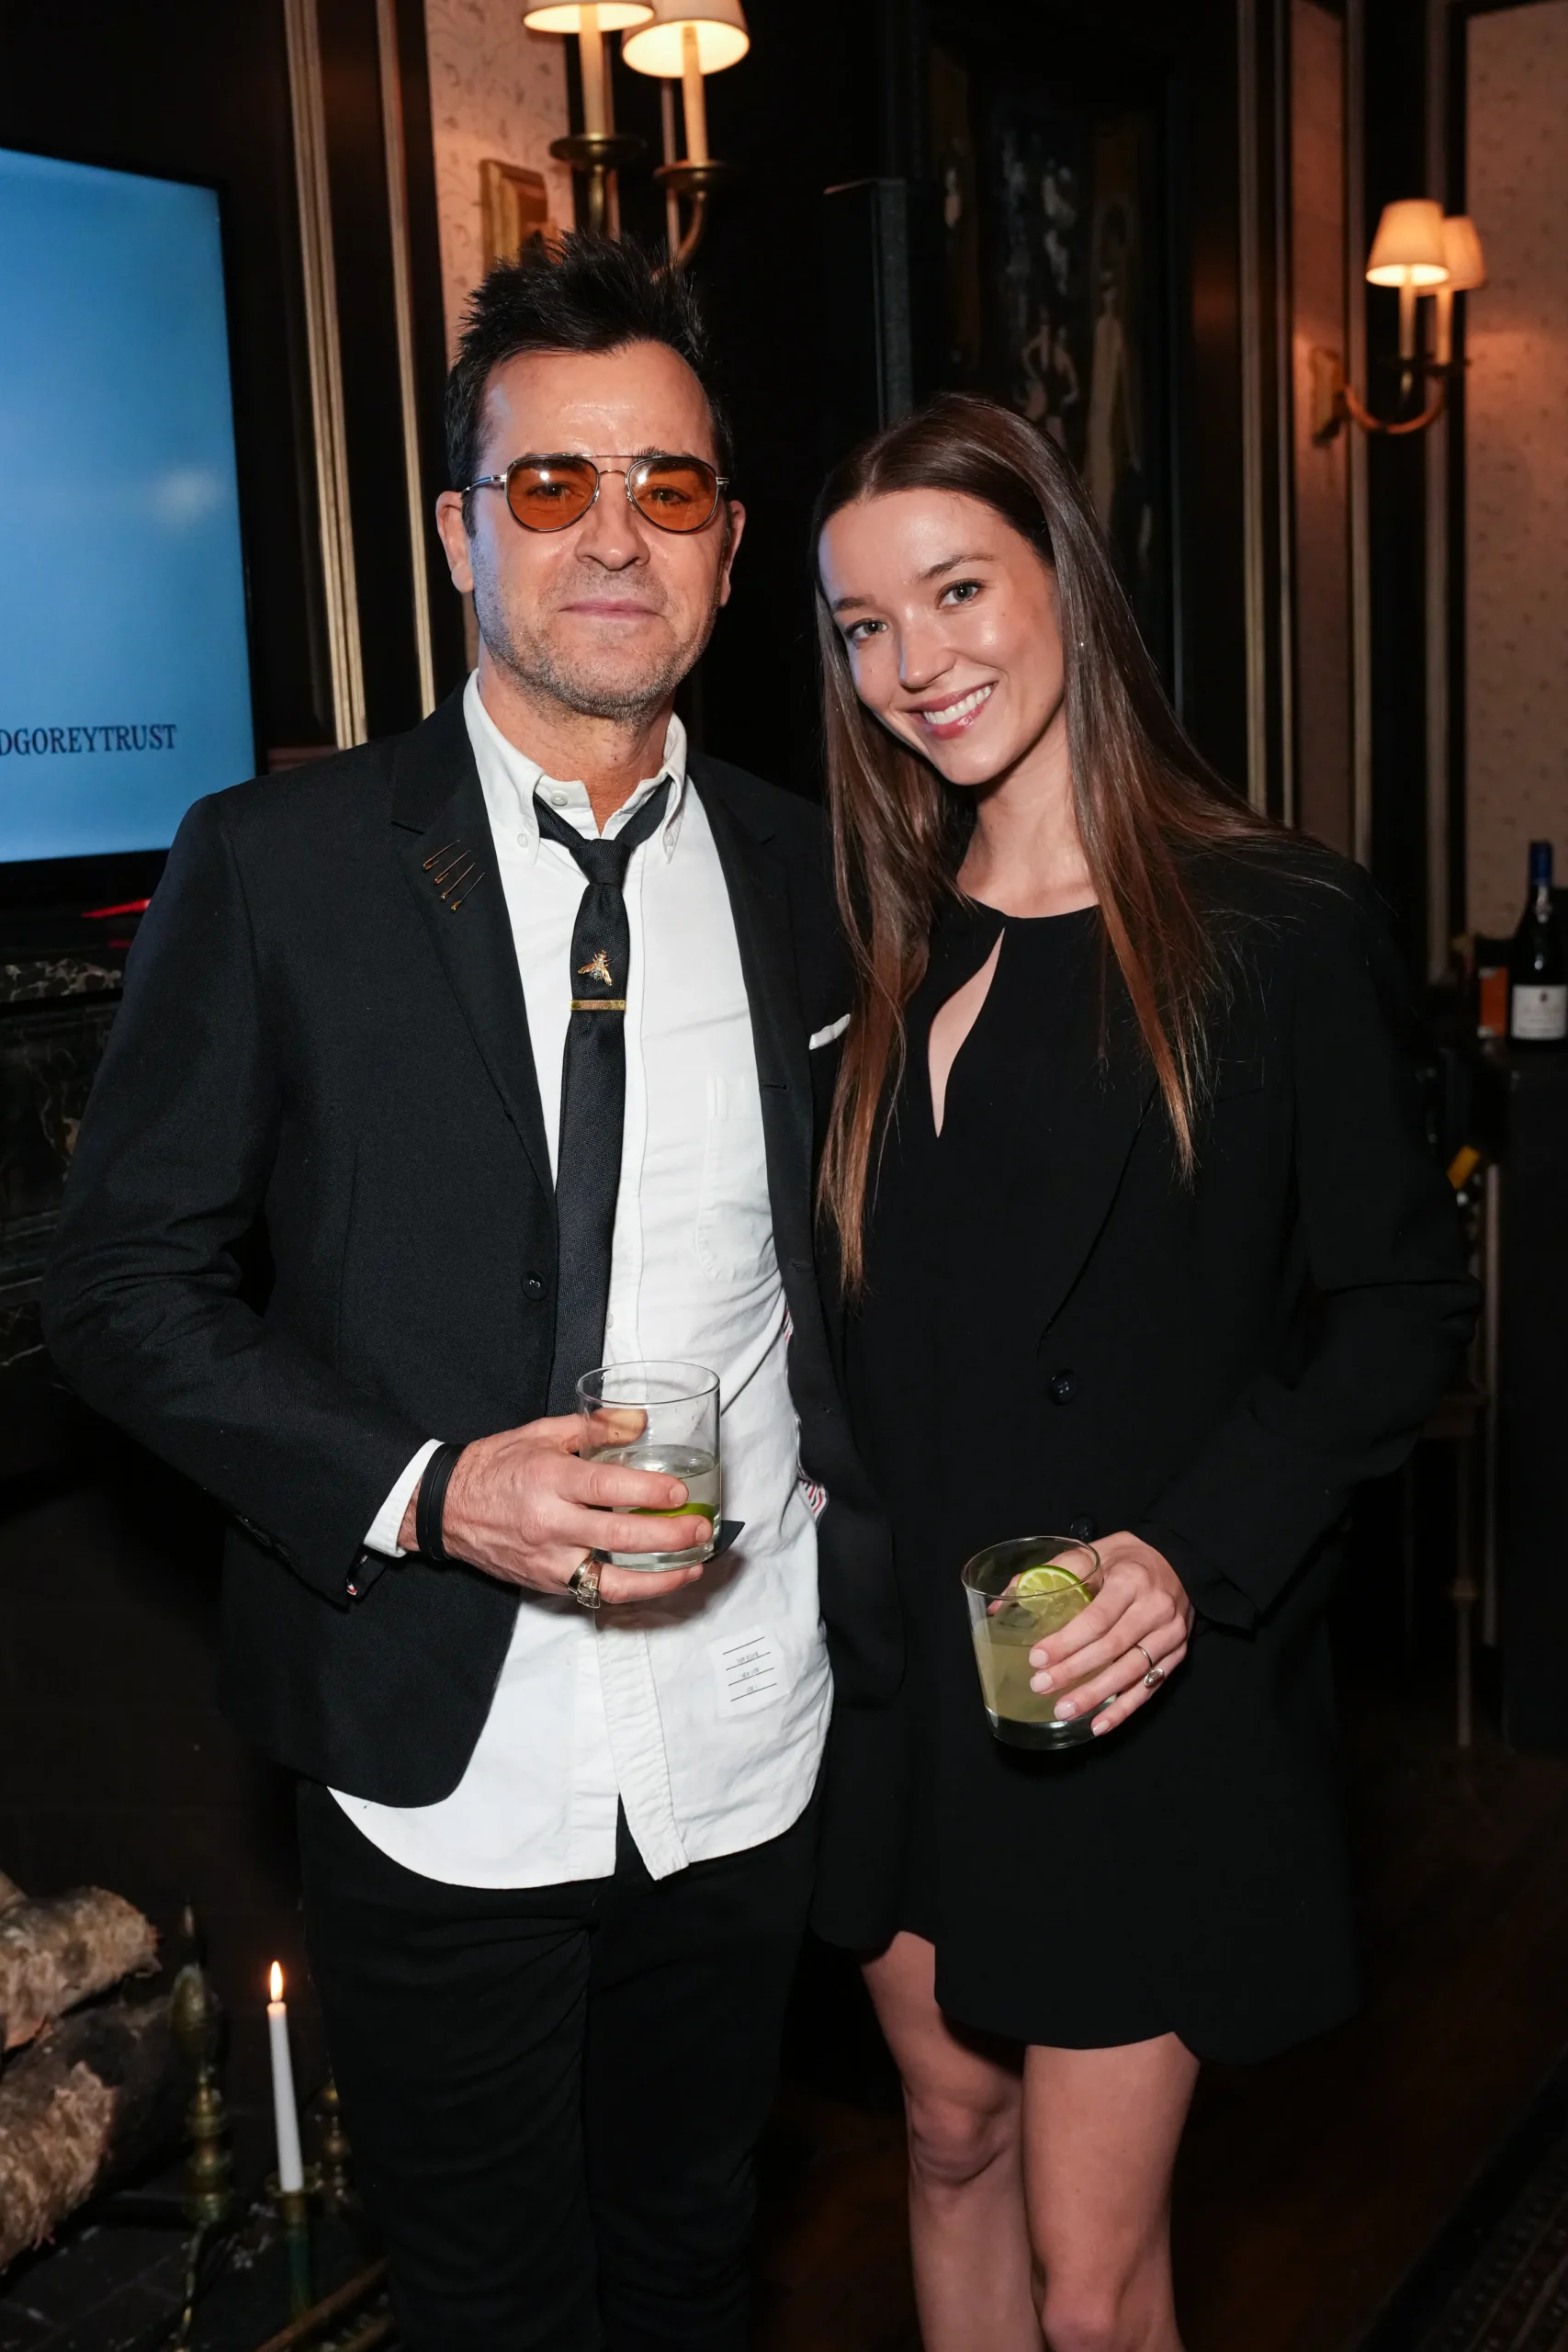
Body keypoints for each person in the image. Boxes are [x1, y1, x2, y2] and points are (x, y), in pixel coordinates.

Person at [41, 235, 897, 2352]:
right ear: (456, 531)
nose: (613, 535)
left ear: (729, 545)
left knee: (692, 2254)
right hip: (441, 1742)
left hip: (747, 1726)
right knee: (494, 2304)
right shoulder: (280, 864)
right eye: (548, 482)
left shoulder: (810, 872)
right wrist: (428, 1487)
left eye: (667, 486)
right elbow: (118, 1285)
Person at [807, 391, 1475, 2352]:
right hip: (904, 1678)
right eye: (863, 626)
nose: (915, 662)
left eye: (955, 589)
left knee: (1095, 2291)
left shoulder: (1271, 919)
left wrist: (1194, 1556)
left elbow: (1399, 1303)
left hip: (1120, 1673)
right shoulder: (873, 932)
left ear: (1065, 583)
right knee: (947, 2133)